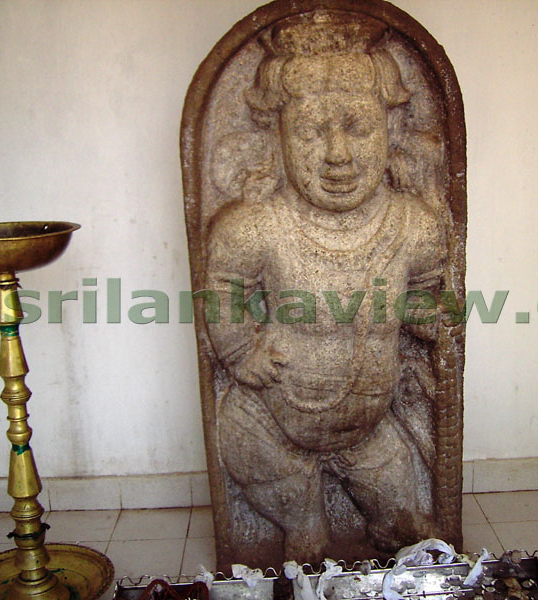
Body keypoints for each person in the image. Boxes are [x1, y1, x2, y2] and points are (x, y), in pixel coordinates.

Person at [205, 11, 446, 562]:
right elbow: (221, 288)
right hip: (269, 420)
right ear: (277, 136)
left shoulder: (414, 227)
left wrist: (435, 315)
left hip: (365, 426)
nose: (337, 155)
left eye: (359, 128)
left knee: (407, 523)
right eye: (312, 131)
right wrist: (239, 350)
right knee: (305, 537)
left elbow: (429, 293)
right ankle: (303, 524)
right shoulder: (256, 226)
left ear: (391, 130)